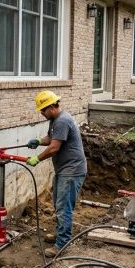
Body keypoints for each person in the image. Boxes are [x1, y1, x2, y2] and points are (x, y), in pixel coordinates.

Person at [26, 90, 87, 258]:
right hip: (65, 169)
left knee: (63, 207)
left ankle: (62, 243)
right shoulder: (56, 120)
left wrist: (37, 159)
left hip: (72, 170)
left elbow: (54, 147)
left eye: (43, 110)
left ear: (52, 106)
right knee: (58, 204)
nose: (41, 113)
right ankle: (61, 235)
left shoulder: (62, 121)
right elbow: (52, 138)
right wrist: (38, 141)